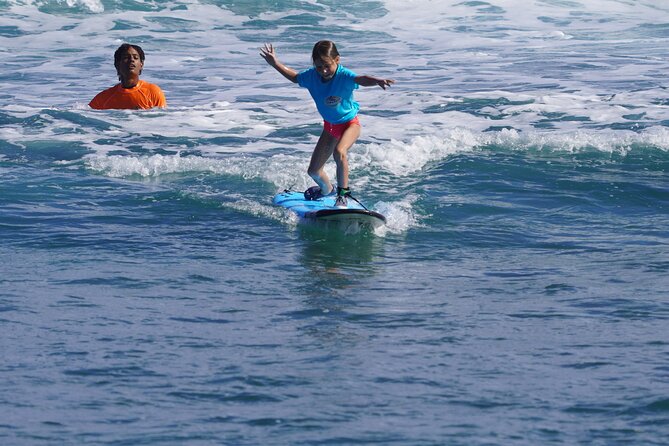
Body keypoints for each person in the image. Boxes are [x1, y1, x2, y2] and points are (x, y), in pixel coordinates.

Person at [260, 40, 394, 207]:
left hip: (350, 124)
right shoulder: (312, 76)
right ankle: (327, 190)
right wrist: (275, 63)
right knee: (314, 171)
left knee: (339, 152)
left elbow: (361, 79)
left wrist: (377, 80)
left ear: (337, 60)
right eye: (318, 66)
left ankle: (343, 195)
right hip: (330, 128)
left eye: (326, 65)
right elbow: (294, 77)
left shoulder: (344, 76)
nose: (323, 70)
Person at [89, 43, 166, 110]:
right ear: (117, 64)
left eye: (135, 57)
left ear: (141, 64)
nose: (131, 60)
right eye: (126, 57)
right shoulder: (104, 98)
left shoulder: (152, 92)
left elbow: (162, 121)